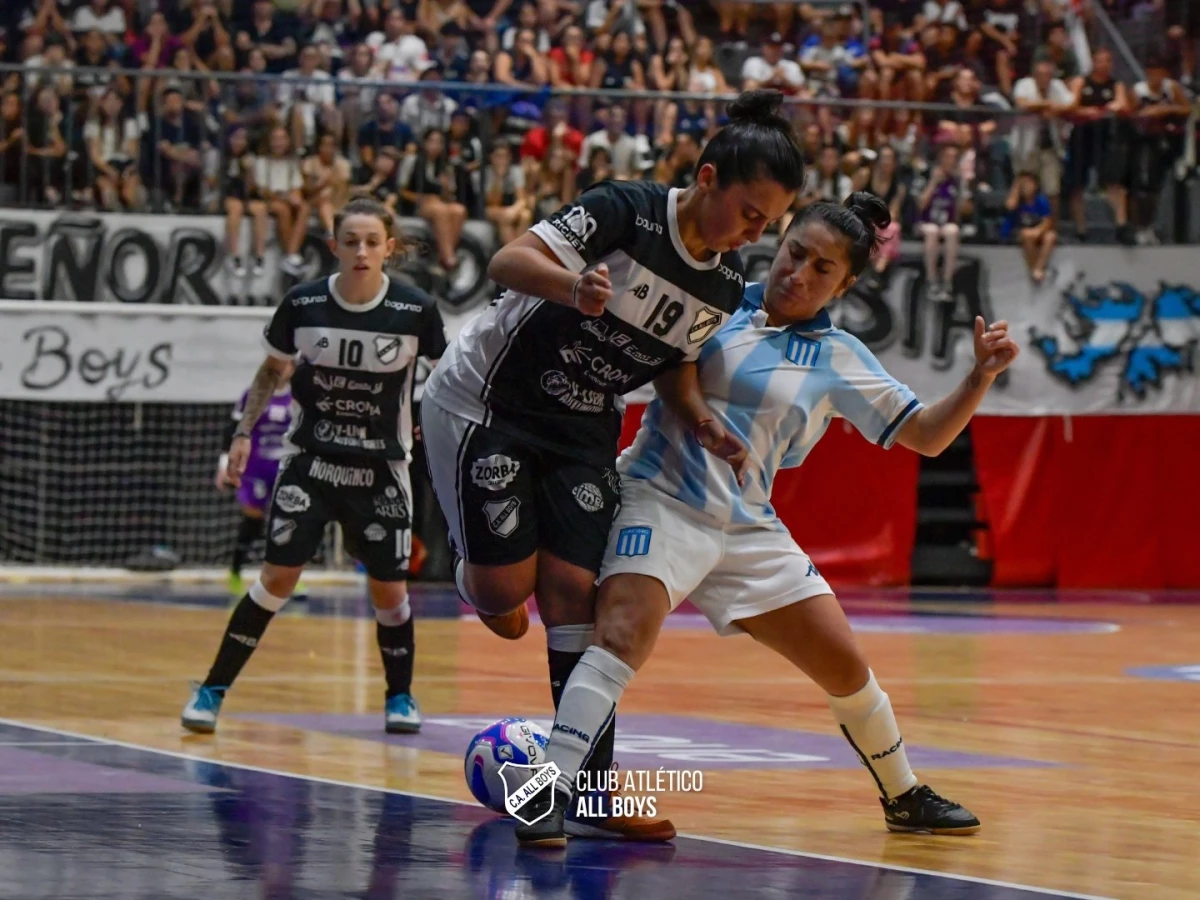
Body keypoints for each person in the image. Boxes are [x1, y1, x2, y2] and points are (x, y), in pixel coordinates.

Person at [515, 192, 1018, 846]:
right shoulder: (714, 301)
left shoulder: (841, 357)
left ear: (848, 284)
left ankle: (904, 795)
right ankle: (547, 791)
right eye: (795, 252)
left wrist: (978, 378)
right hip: (660, 496)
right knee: (621, 633)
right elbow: (668, 369)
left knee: (844, 665)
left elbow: (924, 435)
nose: (799, 273)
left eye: (822, 269)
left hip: (748, 524)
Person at [420, 89, 805, 842]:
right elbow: (508, 258)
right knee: (508, 597)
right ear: (706, 177)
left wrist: (699, 419)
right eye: (751, 213)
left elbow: (674, 365)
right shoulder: (625, 211)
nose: (756, 233)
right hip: (489, 402)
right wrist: (573, 285)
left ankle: (586, 795)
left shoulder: (723, 285)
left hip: (584, 424)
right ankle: (476, 566)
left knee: (574, 596)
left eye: (770, 223)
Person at [182, 197, 448, 737]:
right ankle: (211, 691)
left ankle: (400, 696)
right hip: (311, 464)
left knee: (388, 592)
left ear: (389, 249)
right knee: (277, 579)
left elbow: (446, 379)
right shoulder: (303, 304)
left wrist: (433, 425)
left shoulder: (415, 310)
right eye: (350, 241)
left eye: (373, 242)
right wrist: (241, 434)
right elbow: (269, 372)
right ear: (334, 247)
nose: (361, 251)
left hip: (381, 472)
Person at [215, 372, 293, 598]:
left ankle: (287, 578)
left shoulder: (299, 395)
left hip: (285, 469)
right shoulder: (254, 394)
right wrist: (224, 464)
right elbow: (233, 429)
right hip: (255, 468)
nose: (284, 367)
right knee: (253, 522)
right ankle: (236, 572)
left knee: (287, 524)